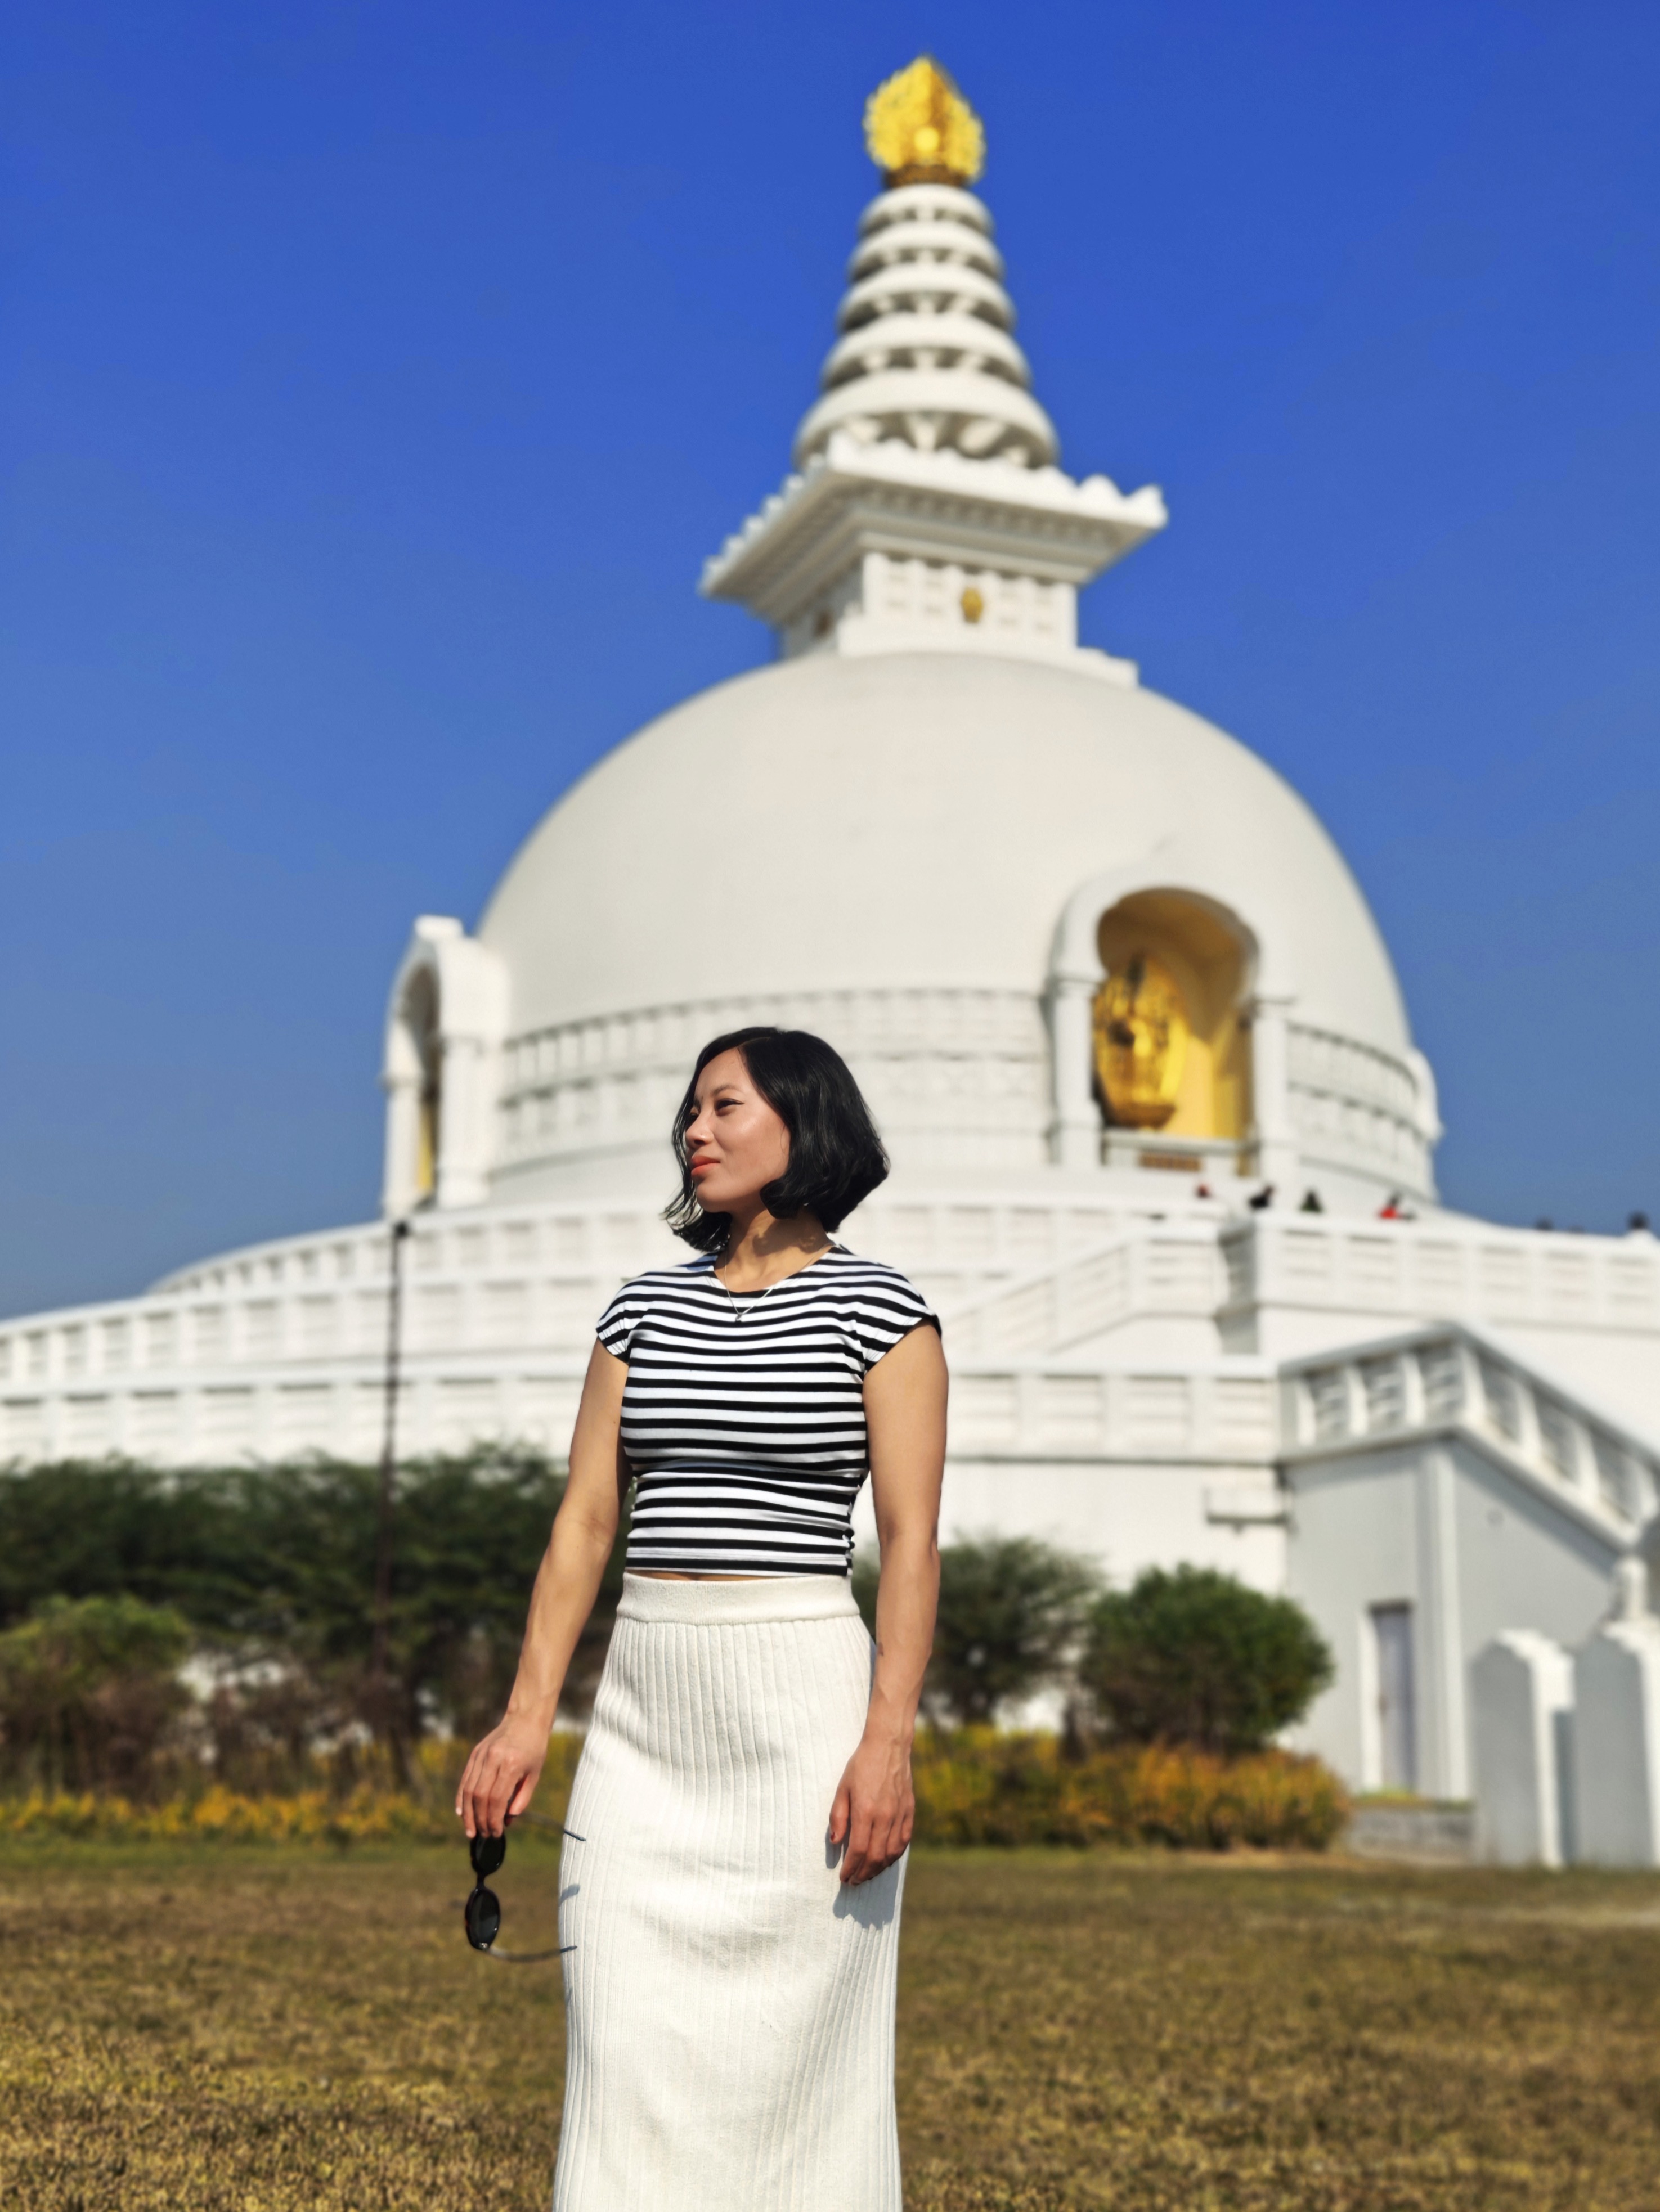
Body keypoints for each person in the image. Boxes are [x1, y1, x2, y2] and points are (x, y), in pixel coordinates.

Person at [456, 1026, 948, 2212]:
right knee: (620, 2042)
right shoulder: (639, 1311)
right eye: (691, 1109)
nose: (695, 1130)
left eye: (725, 1107)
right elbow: (585, 1523)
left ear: (803, 1121)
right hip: (644, 1712)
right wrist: (524, 1719)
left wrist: (887, 1740)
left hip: (803, 1710)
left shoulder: (882, 1313)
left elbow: (910, 1543)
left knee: (802, 2058)